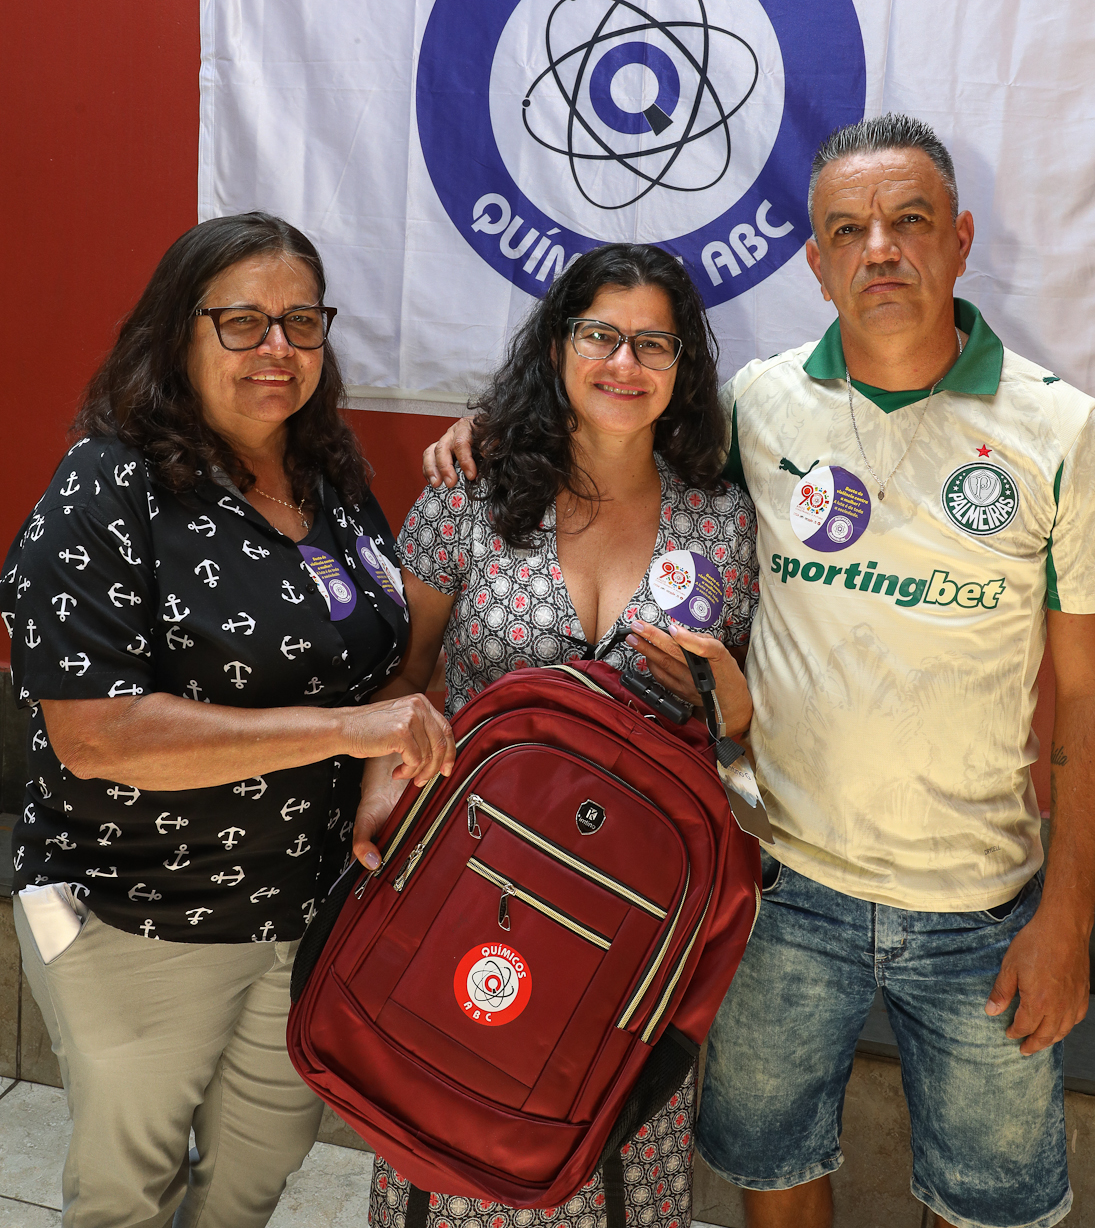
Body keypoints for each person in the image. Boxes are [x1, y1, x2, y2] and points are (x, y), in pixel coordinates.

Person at [423, 113, 1095, 1228]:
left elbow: (1084, 698)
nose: (881, 247)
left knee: (990, 1208)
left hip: (981, 899)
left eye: (910, 220)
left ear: (962, 240)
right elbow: (614, 421)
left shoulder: (1061, 432)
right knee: (771, 1171)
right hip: (782, 883)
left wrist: (1072, 913)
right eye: (850, 227)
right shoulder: (759, 407)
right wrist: (492, 422)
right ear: (816, 259)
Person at [0, 211, 455, 1228]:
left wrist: (383, 752)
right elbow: (95, 731)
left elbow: (374, 658)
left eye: (301, 320)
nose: (279, 349)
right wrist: (345, 731)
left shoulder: (328, 473)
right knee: (131, 1188)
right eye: (243, 323)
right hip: (136, 913)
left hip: (312, 912)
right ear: (177, 333)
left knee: (259, 1165)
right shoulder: (107, 485)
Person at [355, 242, 759, 1228]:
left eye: (653, 342)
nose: (625, 362)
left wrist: (726, 692)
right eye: (601, 334)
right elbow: (404, 671)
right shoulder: (473, 490)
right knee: (451, 1122)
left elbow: (742, 737)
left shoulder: (724, 521)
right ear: (557, 347)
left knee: (607, 1148)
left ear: (684, 367)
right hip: (473, 878)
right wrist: (377, 779)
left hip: (633, 909)